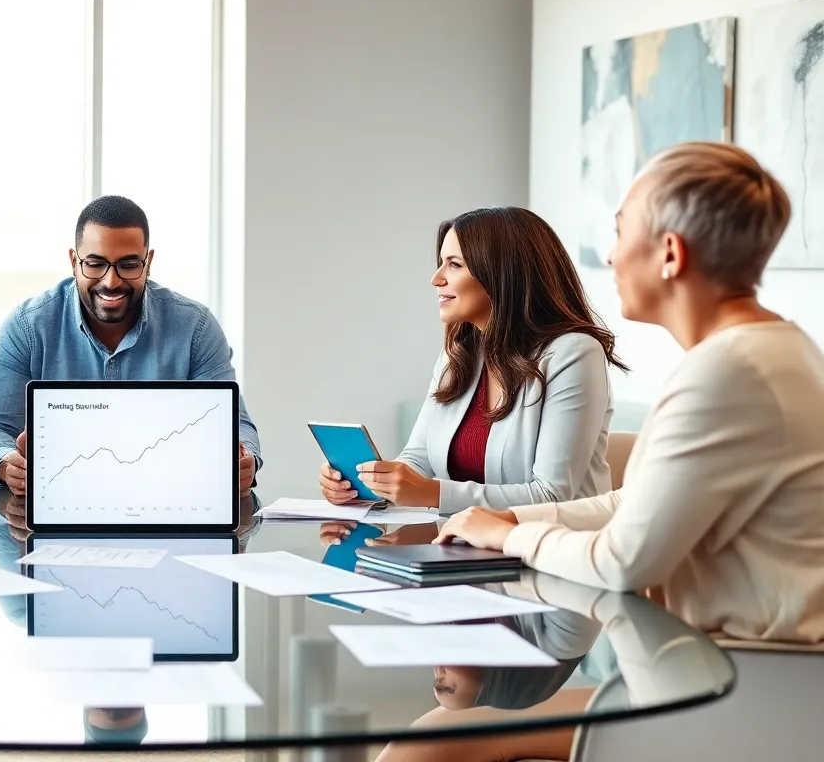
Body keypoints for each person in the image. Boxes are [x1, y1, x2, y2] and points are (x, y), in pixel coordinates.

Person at [438, 142, 824, 645]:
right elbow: (640, 504)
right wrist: (512, 517)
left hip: (749, 683)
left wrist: (510, 536)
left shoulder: (725, 374)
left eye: (620, 231)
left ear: (669, 252)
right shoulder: (775, 351)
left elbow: (622, 563)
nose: (610, 254)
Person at [319, 206, 624, 513]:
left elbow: (552, 495)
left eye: (454, 265)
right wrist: (368, 486)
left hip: (550, 552)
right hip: (466, 548)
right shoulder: (460, 353)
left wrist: (433, 494)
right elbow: (418, 459)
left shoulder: (573, 354)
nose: (436, 279)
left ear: (502, 274)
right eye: (441, 264)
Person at [0, 195, 261, 496]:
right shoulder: (26, 327)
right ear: (73, 261)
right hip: (56, 506)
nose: (111, 281)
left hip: (166, 503)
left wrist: (244, 461)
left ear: (148, 263)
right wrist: (6, 464)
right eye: (95, 264)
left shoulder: (195, 327)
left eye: (128, 265)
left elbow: (236, 426)